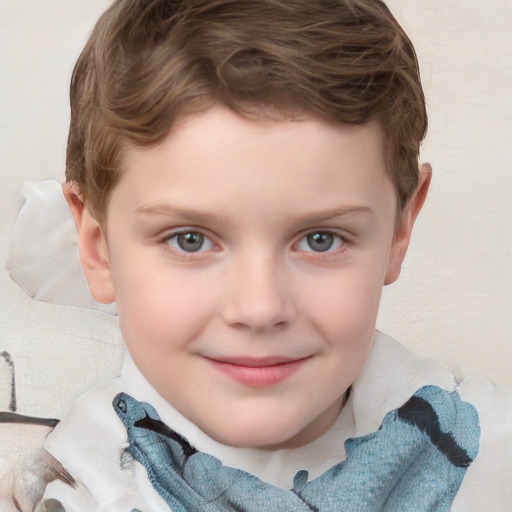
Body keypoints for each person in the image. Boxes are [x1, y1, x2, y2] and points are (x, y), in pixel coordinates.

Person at [35, 0, 511, 510]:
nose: (259, 308)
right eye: (190, 240)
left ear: (399, 229)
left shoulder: (494, 461)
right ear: (98, 247)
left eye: (320, 239)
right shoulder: (68, 492)